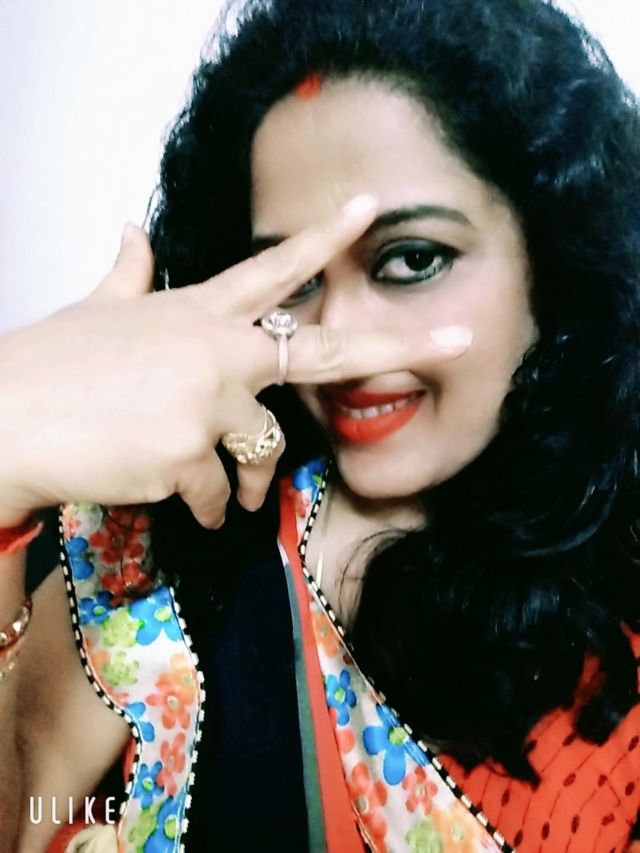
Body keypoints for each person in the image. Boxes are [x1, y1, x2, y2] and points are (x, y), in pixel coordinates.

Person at [1, 0, 639, 850]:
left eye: (412, 259)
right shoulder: (166, 540)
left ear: (554, 258)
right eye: (293, 278)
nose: (337, 342)